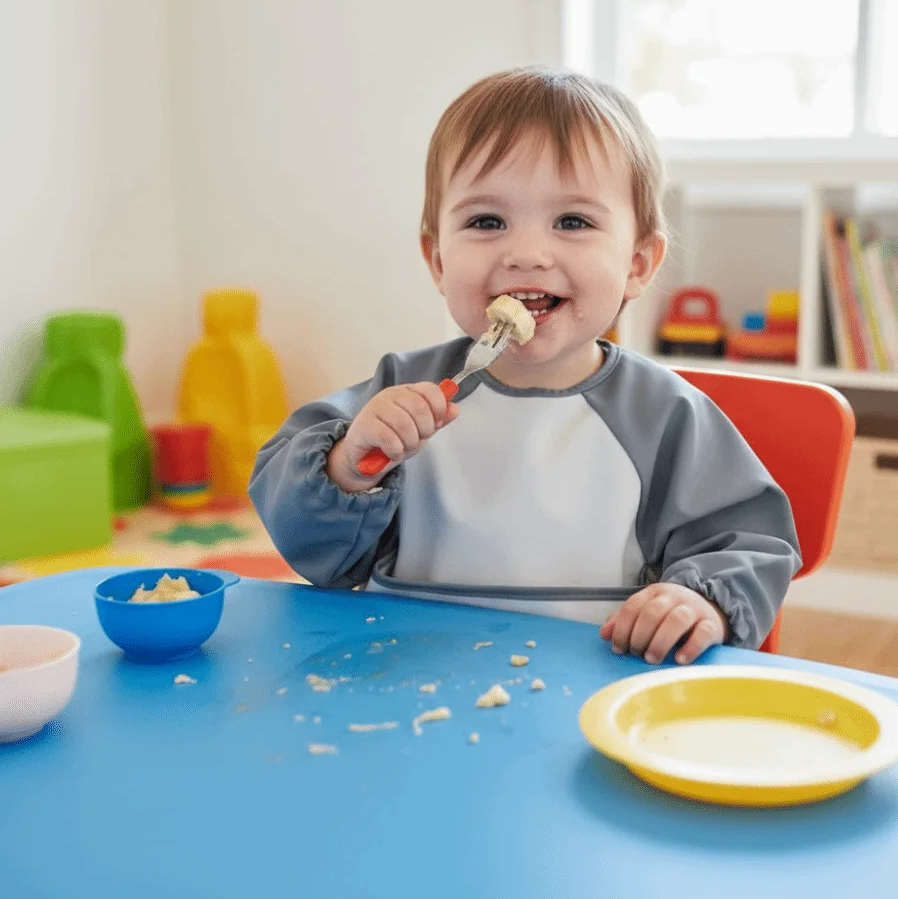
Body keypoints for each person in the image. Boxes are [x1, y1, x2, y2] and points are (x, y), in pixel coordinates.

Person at [250, 67, 801, 666]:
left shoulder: (665, 417)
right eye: (487, 222)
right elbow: (306, 544)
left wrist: (698, 602)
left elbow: (747, 542)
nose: (527, 254)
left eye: (573, 222)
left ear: (638, 264)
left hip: (594, 691)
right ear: (437, 259)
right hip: (404, 683)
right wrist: (347, 468)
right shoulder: (396, 393)